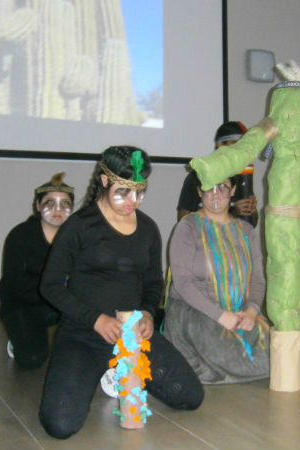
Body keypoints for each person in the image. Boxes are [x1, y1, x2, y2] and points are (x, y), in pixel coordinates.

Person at [38, 146, 203, 439]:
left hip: (133, 335)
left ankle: (120, 371)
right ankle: (104, 372)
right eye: (123, 192)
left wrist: (148, 314)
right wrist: (95, 319)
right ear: (104, 181)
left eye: (139, 192)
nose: (132, 201)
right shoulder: (79, 226)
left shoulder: (148, 228)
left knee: (190, 396)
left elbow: (153, 283)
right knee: (60, 425)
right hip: (83, 334)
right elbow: (49, 285)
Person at [164, 175, 270, 384]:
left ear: (233, 191)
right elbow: (183, 283)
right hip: (196, 314)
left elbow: (258, 279)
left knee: (280, 355)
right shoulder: (187, 227)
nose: (215, 194)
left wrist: (252, 312)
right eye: (209, 188)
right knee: (232, 360)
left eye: (222, 187)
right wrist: (221, 316)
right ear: (199, 192)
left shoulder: (247, 231)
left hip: (239, 312)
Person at [0, 173, 74, 369]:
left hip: (61, 302)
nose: (58, 210)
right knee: (32, 359)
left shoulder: (75, 237)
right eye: (50, 203)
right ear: (38, 206)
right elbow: (11, 286)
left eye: (65, 204)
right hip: (24, 304)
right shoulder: (20, 235)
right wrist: (53, 286)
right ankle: (19, 337)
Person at [177, 121, 258, 225]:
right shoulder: (199, 176)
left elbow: (252, 224)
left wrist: (251, 210)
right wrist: (233, 212)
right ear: (220, 145)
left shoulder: (242, 175)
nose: (240, 151)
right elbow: (183, 221)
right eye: (235, 144)